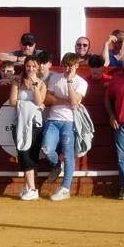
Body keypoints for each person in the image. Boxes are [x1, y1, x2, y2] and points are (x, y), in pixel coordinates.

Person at [41, 52, 86, 201]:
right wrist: (63, 101)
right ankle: (56, 164)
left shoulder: (81, 82)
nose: (67, 69)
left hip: (70, 122)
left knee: (68, 155)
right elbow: (47, 98)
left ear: (76, 66)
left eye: (70, 66)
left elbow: (74, 101)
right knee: (47, 148)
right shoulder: (54, 78)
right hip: (53, 120)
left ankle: (65, 188)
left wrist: (69, 82)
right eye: (65, 65)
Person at [9, 56, 47, 201]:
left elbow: (40, 101)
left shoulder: (42, 84)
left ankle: (31, 188)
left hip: (35, 124)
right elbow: (13, 101)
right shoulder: (17, 81)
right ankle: (29, 188)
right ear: (25, 67)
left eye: (33, 66)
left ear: (38, 68)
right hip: (20, 122)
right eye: (28, 66)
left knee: (30, 154)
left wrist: (36, 87)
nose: (30, 69)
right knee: (23, 152)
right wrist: (32, 106)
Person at [104, 50, 124, 200]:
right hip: (121, 125)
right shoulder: (116, 78)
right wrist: (111, 116)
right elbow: (108, 99)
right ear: (123, 63)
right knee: (122, 158)